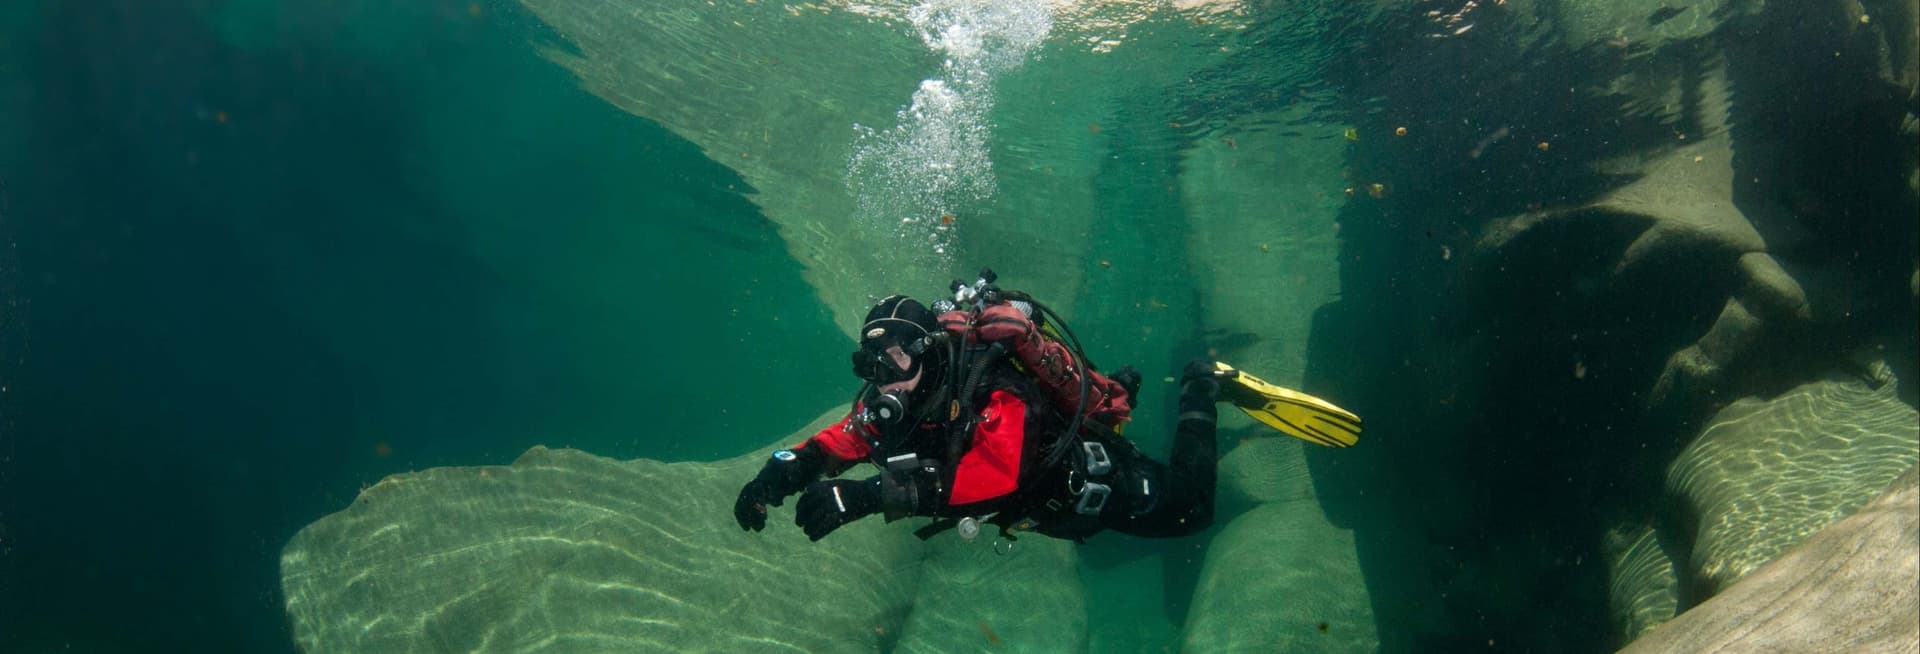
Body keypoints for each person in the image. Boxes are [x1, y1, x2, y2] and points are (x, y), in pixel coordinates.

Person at [731, 292, 1233, 543]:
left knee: (1194, 508)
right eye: (871, 364)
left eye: (895, 361)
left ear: (927, 352)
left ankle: (1198, 387)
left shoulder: (993, 385)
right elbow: (843, 440)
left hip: (1090, 487)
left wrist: (870, 494)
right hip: (1043, 518)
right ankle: (1125, 382)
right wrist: (778, 473)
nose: (883, 379)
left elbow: (1000, 473)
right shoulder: (890, 398)